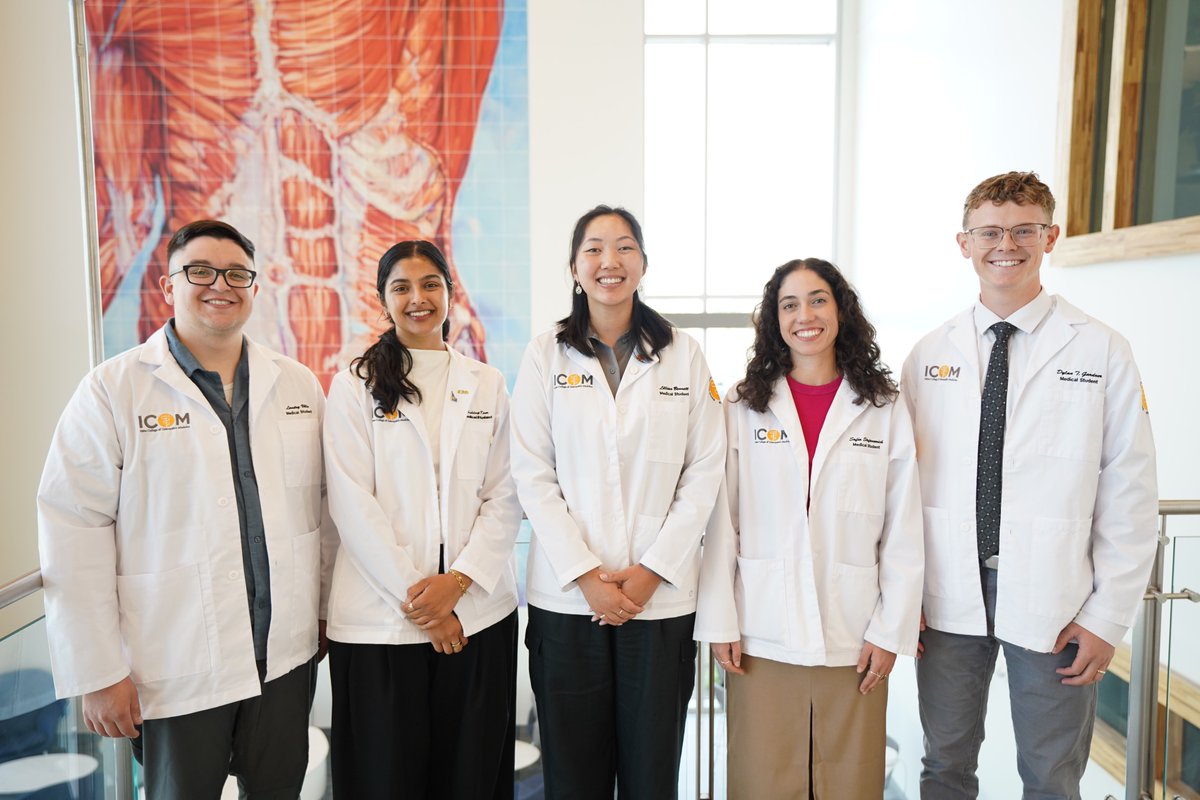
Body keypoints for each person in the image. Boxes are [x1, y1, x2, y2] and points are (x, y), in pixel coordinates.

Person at [37, 220, 333, 799]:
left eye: (237, 274)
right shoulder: (113, 390)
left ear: (254, 285)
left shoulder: (297, 385)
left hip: (284, 658)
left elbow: (322, 515)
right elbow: (73, 527)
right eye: (200, 271)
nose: (220, 284)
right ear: (168, 286)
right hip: (174, 660)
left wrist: (324, 609)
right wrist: (98, 672)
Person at [901, 171, 1159, 799]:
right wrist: (900, 599)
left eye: (1024, 230)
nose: (1006, 244)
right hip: (946, 596)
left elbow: (1130, 489)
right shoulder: (929, 354)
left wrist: (1106, 617)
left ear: (1052, 237)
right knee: (944, 766)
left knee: (1050, 775)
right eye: (990, 231)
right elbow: (899, 490)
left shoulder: (1101, 350)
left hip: (1057, 600)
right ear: (964, 243)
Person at [510, 205, 725, 799]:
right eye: (595, 249)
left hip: (657, 603)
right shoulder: (544, 355)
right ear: (575, 268)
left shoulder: (683, 354)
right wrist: (587, 577)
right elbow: (532, 473)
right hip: (567, 602)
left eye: (625, 247)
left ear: (644, 264)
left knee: (651, 771)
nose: (610, 261)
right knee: (574, 771)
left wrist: (653, 571)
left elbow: (705, 470)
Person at [695, 258, 924, 798]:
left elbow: (904, 527)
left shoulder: (883, 408)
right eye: (789, 304)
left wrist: (891, 630)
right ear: (774, 320)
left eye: (818, 300)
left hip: (854, 634)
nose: (806, 316)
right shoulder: (743, 405)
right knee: (762, 778)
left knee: (849, 780)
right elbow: (721, 521)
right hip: (761, 631)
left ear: (841, 310)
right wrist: (721, 620)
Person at [322, 239, 522, 799]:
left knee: (472, 775)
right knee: (386, 778)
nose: (418, 298)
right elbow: (352, 504)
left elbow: (506, 495)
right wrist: (426, 606)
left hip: (478, 617)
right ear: (383, 300)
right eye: (402, 287)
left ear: (449, 293)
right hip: (381, 625)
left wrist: (456, 585)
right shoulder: (352, 386)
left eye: (430, 284)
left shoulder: (488, 384)